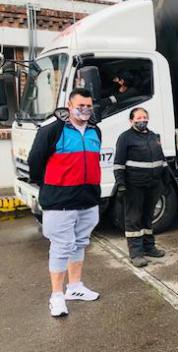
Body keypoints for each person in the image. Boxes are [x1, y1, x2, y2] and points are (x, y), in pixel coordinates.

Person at [27, 88, 102, 317]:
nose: (85, 110)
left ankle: (75, 287)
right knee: (61, 247)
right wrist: (50, 186)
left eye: (89, 106)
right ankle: (57, 296)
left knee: (79, 243)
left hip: (88, 199)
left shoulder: (95, 131)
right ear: (69, 106)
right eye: (80, 106)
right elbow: (35, 162)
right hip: (60, 201)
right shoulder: (52, 130)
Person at [114, 107, 168, 267]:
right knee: (134, 219)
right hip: (134, 186)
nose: (142, 120)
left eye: (144, 117)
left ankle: (149, 247)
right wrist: (121, 184)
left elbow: (162, 160)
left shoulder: (153, 136)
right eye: (138, 118)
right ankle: (136, 253)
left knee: (147, 217)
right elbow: (118, 164)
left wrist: (165, 180)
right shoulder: (125, 138)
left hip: (153, 185)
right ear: (131, 120)